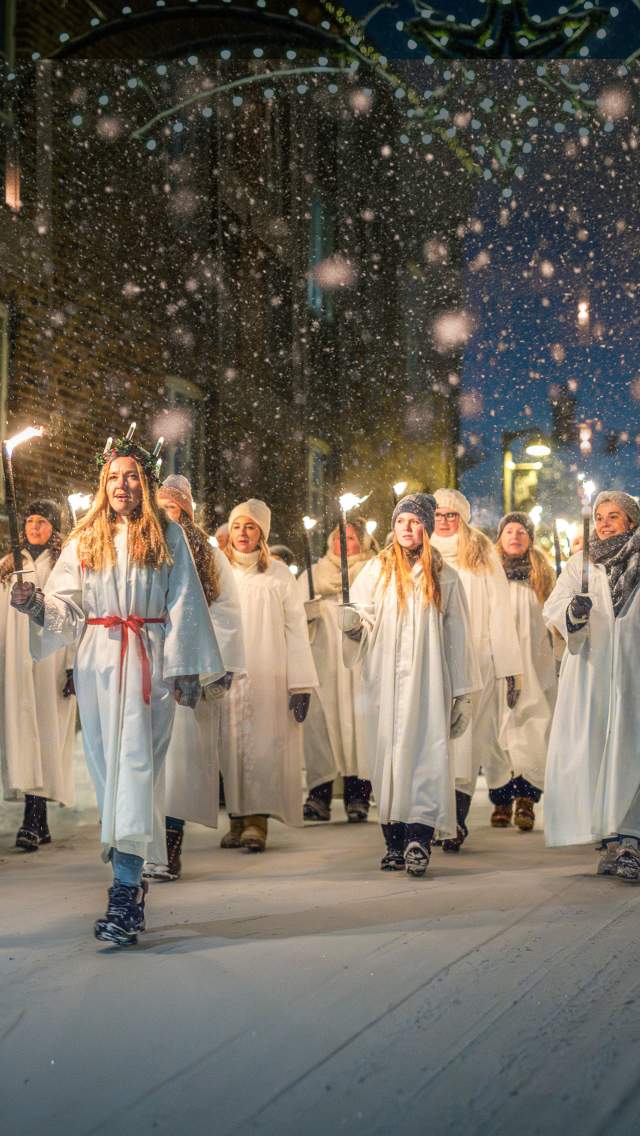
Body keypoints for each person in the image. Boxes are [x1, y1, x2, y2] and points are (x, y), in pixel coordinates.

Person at [11, 432, 223, 946]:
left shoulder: (166, 534)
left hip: (147, 659)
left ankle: (125, 892)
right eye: (113, 477)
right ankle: (129, 880)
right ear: (102, 484)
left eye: (131, 476)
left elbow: (184, 604)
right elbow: (69, 606)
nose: (122, 485)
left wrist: (187, 668)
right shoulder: (86, 539)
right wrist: (37, 606)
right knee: (111, 775)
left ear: (144, 483)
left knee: (136, 771)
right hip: (100, 663)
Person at [340, 494, 476, 877]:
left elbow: (458, 636)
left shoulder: (443, 575)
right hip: (385, 684)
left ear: (427, 529)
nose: (408, 529)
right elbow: (363, 620)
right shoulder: (376, 571)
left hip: (428, 683)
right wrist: (352, 626)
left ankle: (419, 836)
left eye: (416, 522)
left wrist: (462, 692)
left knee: (425, 755)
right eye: (402, 522)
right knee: (388, 760)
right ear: (393, 526)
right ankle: (393, 842)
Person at [143, 475, 245, 881]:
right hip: (151, 669)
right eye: (161, 508)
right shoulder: (145, 546)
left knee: (181, 765)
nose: (168, 516)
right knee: (149, 761)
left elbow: (225, 612)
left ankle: (170, 842)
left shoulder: (208, 555)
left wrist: (215, 666)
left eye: (174, 509)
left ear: (186, 513)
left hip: (190, 670)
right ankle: (145, 845)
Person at [543, 490, 640, 881]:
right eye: (599, 517)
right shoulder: (581, 565)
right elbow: (555, 606)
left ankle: (631, 839)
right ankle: (612, 839)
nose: (603, 523)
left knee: (632, 751)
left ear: (631, 522)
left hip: (633, 672)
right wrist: (573, 613)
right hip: (593, 674)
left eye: (613, 516)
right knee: (601, 751)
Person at [220, 498, 318, 853]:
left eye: (250, 527)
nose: (243, 533)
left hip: (268, 672)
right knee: (230, 746)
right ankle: (235, 816)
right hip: (229, 671)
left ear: (261, 532)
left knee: (261, 746)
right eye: (236, 526)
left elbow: (295, 629)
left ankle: (256, 821)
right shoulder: (218, 570)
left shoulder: (276, 574)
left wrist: (301, 682)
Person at [430, 489, 523, 851]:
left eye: (452, 515)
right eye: (438, 514)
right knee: (434, 742)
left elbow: (500, 610)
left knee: (466, 743)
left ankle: (455, 819)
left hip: (475, 661)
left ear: (463, 518)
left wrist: (510, 668)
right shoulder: (419, 549)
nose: (444, 520)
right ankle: (432, 817)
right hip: (431, 662)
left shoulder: (480, 552)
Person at [0, 499, 76, 851]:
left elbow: (75, 612)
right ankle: (36, 819)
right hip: (17, 660)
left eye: (42, 521)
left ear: (54, 527)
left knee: (46, 734)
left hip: (51, 660)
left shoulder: (64, 564)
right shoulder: (10, 565)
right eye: (29, 520)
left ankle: (34, 817)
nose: (34, 526)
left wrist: (74, 664)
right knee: (23, 733)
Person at [298, 517, 377, 823]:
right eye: (338, 537)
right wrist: (307, 613)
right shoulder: (314, 575)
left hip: (356, 664)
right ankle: (319, 794)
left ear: (365, 543)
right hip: (323, 662)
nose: (342, 544)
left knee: (359, 726)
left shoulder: (371, 572)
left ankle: (359, 794)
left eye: (352, 538)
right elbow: (292, 616)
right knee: (322, 727)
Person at [492, 512, 557, 831]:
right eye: (508, 531)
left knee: (532, 733)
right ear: (500, 538)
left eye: (521, 531)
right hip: (498, 669)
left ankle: (526, 800)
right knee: (498, 733)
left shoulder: (541, 576)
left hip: (534, 668)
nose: (515, 536)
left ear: (530, 538)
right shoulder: (488, 574)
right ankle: (501, 799)